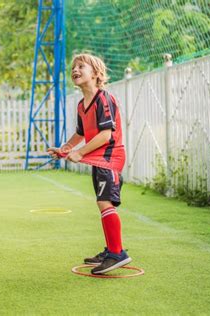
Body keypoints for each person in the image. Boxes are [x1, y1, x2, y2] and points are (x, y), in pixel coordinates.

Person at [48, 53, 131, 274]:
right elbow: (81, 133)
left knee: (105, 203)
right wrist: (65, 149)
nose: (75, 70)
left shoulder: (104, 99)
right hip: (98, 158)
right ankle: (111, 249)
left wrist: (80, 152)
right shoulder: (81, 105)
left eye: (80, 66)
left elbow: (105, 135)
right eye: (73, 67)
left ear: (95, 74)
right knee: (102, 203)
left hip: (110, 158)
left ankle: (117, 254)